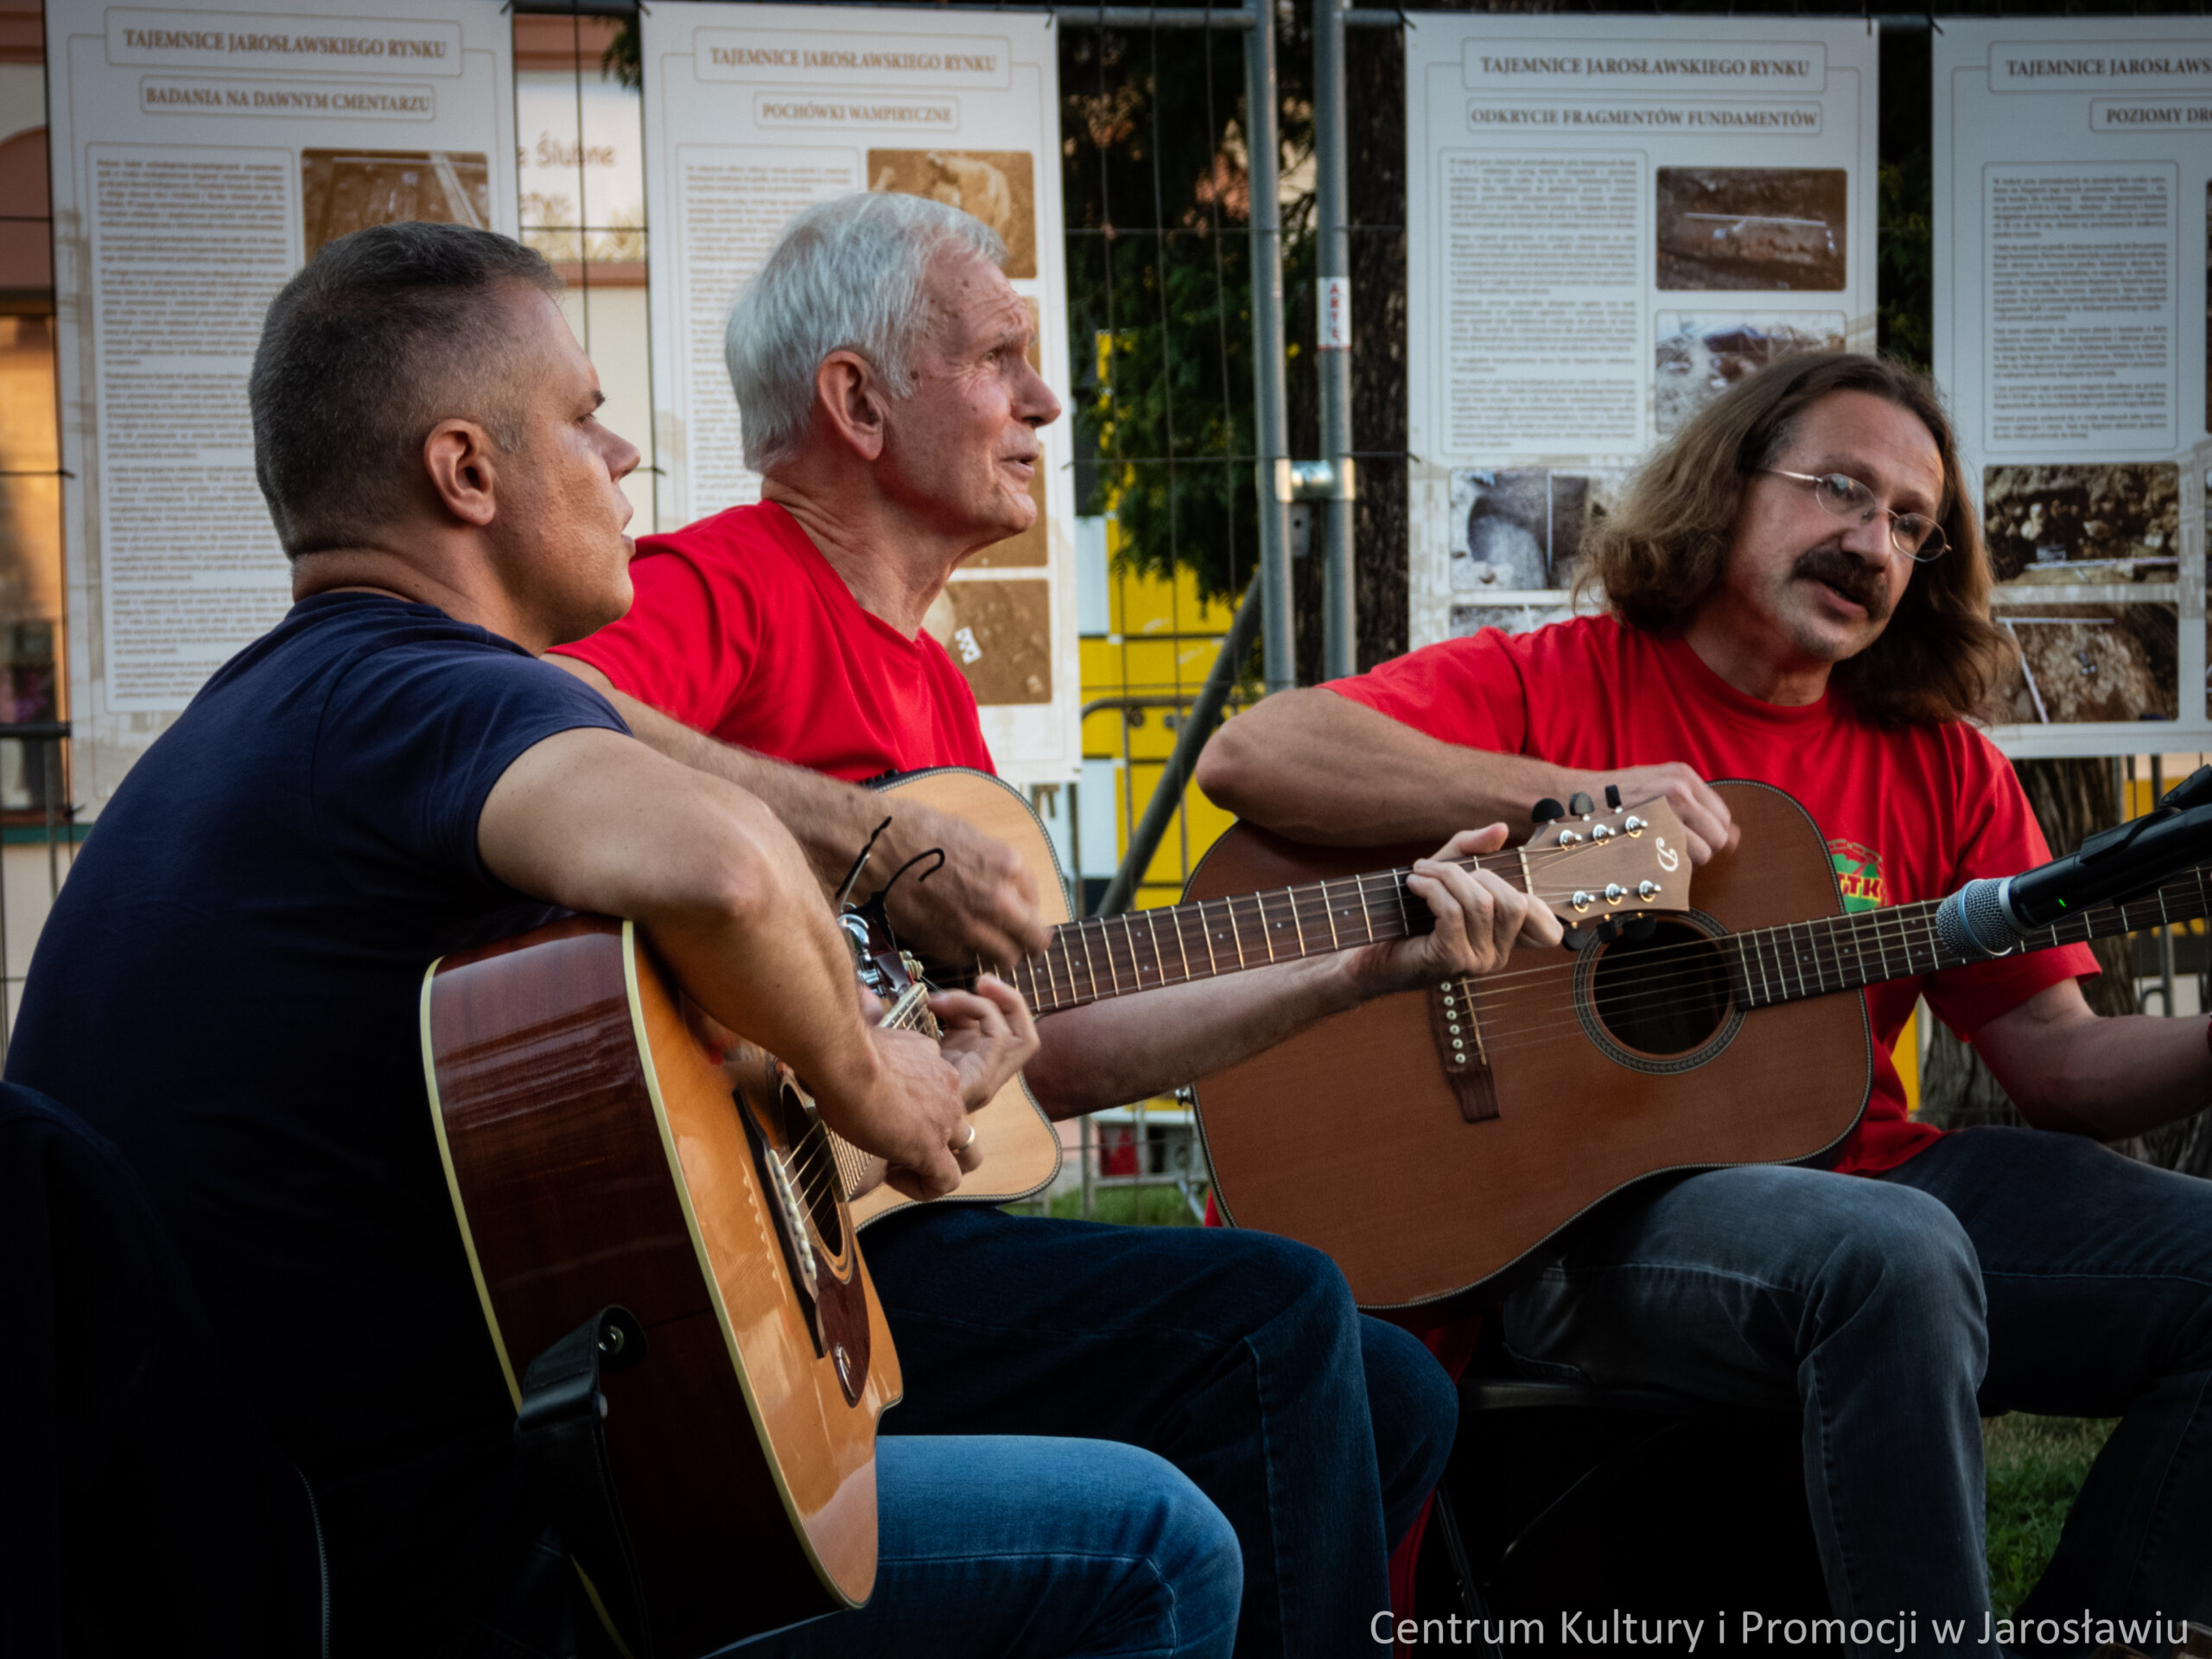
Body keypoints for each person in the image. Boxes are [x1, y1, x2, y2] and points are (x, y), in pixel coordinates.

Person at [3, 221, 1246, 1659]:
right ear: (464, 474)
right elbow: (723, 869)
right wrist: (871, 1082)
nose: (624, 460)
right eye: (585, 421)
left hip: (256, 1558)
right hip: (455, 1582)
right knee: (1159, 1547)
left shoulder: (260, 719)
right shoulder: (428, 692)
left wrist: (827, 1108)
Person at [545, 191, 1565, 1657]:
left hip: (900, 1236)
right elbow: (543, 709)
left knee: (1392, 1387)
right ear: (857, 401)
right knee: (1276, 1313)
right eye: (999, 356)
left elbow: (1062, 1047)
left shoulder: (933, 693)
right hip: (767, 1262)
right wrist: (862, 854)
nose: (1046, 400)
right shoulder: (727, 589)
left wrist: (1365, 963)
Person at [1197, 351, 2212, 1651]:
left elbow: (2063, 1070)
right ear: (1727, 486)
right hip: (1581, 1209)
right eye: (1840, 489)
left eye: (1912, 525)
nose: (1873, 543)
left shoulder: (1944, 766)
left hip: (1860, 1168)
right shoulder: (1559, 679)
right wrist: (1569, 800)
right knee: (1890, 1251)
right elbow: (1253, 754)